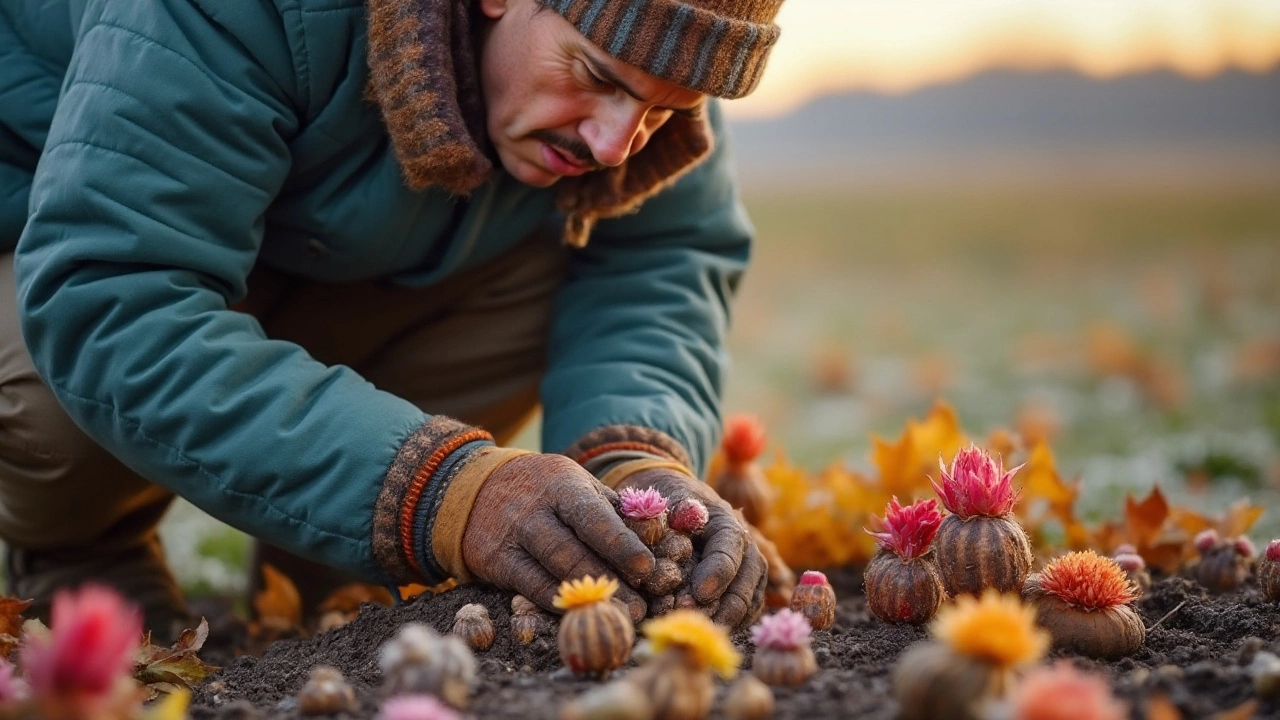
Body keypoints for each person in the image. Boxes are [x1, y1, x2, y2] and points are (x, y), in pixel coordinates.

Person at [0, 0, 784, 636]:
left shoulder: (648, 76)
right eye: (593, 74)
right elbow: (113, 293)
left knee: (568, 260)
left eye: (662, 105)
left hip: (315, 256)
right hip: (56, 243)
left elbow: (655, 265)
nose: (616, 144)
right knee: (54, 396)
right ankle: (81, 556)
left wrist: (635, 467)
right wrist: (446, 494)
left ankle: (333, 584)